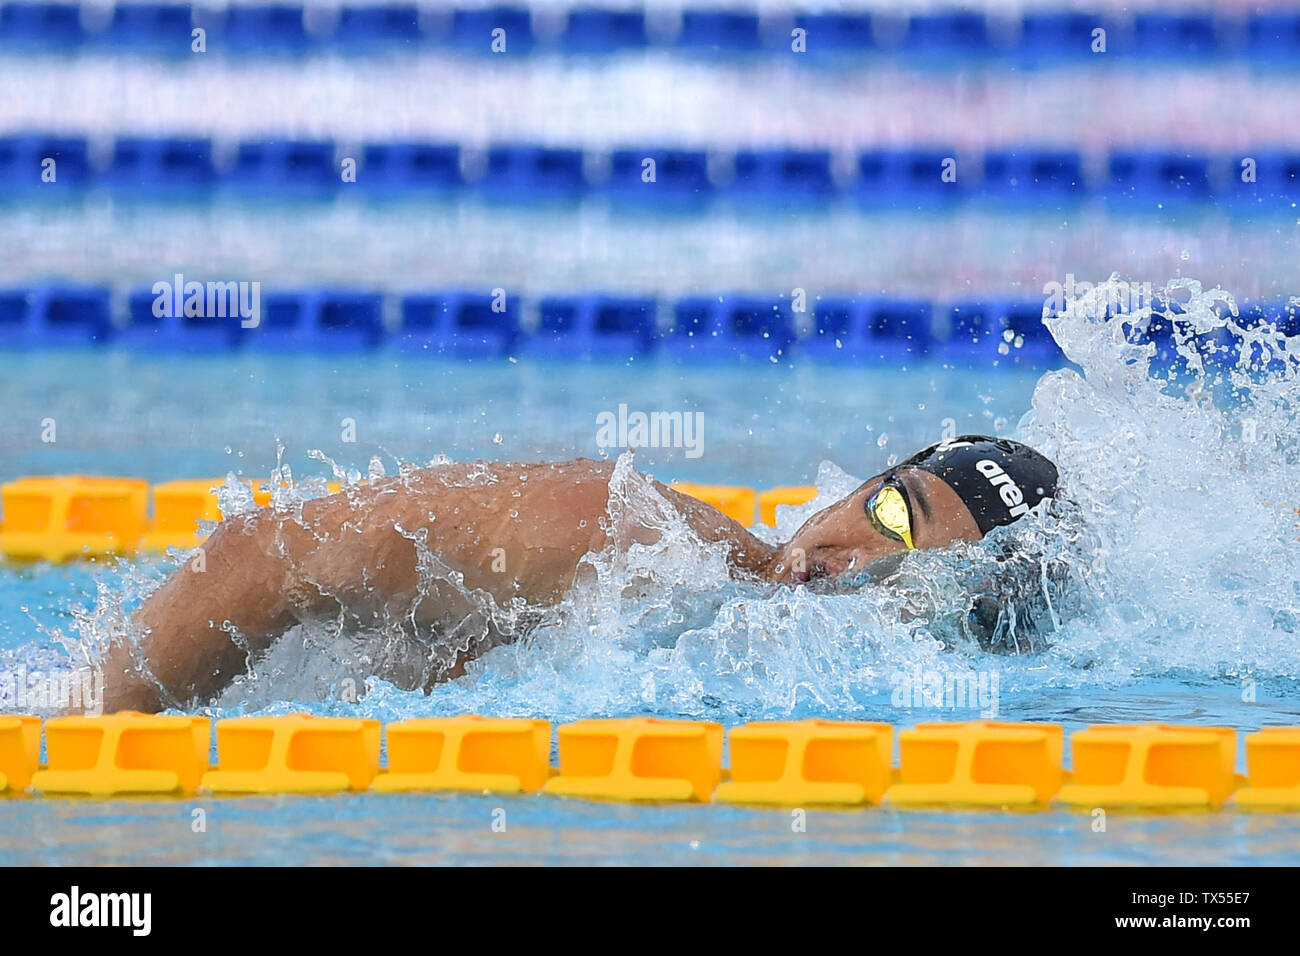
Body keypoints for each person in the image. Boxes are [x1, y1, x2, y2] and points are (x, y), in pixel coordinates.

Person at [100, 435, 1058, 713]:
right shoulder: (626, 534)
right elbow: (267, 556)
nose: (859, 568)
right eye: (891, 513)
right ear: (866, 480)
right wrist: (86, 741)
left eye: (918, 578)